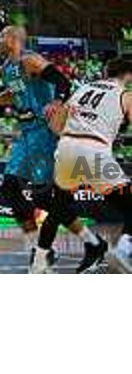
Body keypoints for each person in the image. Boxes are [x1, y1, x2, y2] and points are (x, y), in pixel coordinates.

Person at [0, 25, 103, 273]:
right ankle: (38, 247)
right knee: (10, 186)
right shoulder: (8, 67)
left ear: (14, 38)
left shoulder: (30, 60)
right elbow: (14, 94)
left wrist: (57, 100)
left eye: (2, 35)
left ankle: (91, 242)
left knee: (43, 196)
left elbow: (62, 80)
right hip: (27, 134)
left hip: (45, 132)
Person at [54, 57, 132, 273]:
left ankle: (93, 244)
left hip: (66, 147)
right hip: (94, 151)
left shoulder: (82, 88)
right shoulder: (125, 95)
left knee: (58, 204)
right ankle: (123, 249)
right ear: (129, 74)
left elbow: (56, 125)